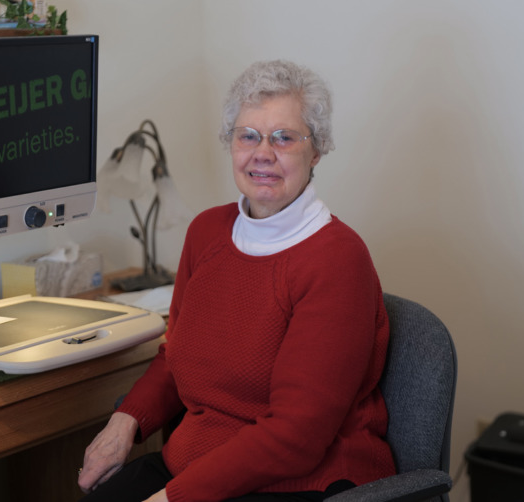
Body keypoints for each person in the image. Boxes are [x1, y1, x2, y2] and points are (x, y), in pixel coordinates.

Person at [78, 60, 395, 502]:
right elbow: (176, 357)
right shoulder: (207, 232)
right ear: (231, 144)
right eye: (248, 135)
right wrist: (126, 420)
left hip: (302, 479)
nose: (262, 153)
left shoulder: (337, 259)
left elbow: (296, 436)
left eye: (284, 138)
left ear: (316, 150)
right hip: (197, 463)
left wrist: (174, 498)